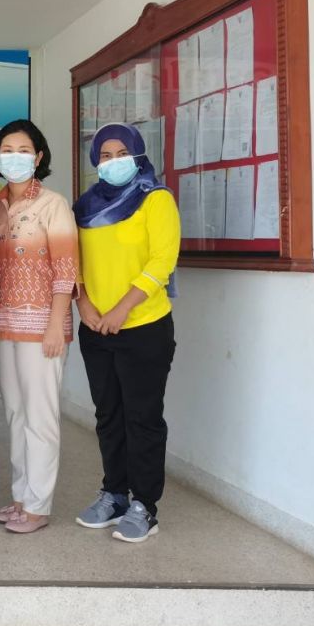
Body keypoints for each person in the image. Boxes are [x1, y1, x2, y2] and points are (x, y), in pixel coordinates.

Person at [73, 122, 180, 544]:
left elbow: (162, 260)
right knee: (108, 416)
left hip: (143, 326)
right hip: (96, 328)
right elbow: (74, 262)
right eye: (105, 155)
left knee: (142, 418)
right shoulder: (85, 206)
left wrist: (122, 308)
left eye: (122, 154)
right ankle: (114, 494)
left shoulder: (155, 199)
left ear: (137, 156)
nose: (113, 161)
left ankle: (145, 505)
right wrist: (83, 303)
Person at [0, 119, 77, 534]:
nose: (15, 158)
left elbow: (66, 267)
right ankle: (22, 496)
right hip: (1, 324)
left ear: (38, 157)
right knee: (15, 413)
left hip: (42, 325)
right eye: (7, 150)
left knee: (40, 416)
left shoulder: (53, 204)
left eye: (23, 150)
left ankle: (39, 506)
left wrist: (57, 323)